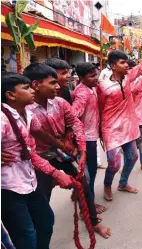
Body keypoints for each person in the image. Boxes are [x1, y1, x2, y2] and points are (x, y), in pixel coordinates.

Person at [23, 63, 111, 238]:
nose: (58, 86)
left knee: (83, 185)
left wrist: (82, 150)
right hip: (38, 159)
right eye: (53, 83)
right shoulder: (24, 110)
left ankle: (93, 222)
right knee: (42, 200)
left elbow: (76, 124)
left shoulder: (60, 103)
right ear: (36, 85)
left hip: (62, 154)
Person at [1, 72, 74, 249]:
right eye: (26, 88)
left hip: (28, 181)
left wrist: (56, 171)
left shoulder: (27, 113)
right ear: (10, 95)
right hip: (8, 188)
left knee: (46, 221)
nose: (32, 90)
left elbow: (31, 151)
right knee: (26, 236)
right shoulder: (2, 119)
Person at [97, 32, 142, 202]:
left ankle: (123, 183)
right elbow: (100, 108)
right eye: (122, 62)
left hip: (129, 126)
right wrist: (101, 132)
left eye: (127, 62)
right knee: (114, 163)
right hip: (111, 128)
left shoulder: (128, 78)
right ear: (113, 66)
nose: (126, 65)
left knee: (133, 157)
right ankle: (107, 185)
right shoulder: (103, 87)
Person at [72, 62, 107, 213]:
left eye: (96, 74)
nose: (96, 78)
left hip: (90, 136)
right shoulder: (82, 93)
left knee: (87, 173)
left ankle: (81, 197)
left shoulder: (89, 88)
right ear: (81, 78)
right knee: (89, 174)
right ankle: (87, 206)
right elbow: (73, 116)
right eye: (92, 76)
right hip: (86, 140)